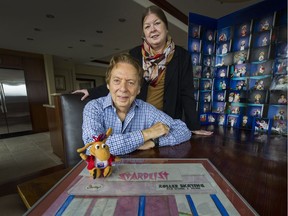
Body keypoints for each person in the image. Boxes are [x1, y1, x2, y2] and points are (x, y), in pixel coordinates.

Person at [74, 5, 212, 136]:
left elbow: (186, 92)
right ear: (144, 33)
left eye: (157, 23)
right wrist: (91, 91)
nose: (152, 29)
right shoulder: (135, 54)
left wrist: (194, 127)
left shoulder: (182, 56)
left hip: (167, 119)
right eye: (147, 26)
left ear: (166, 27)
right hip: (139, 119)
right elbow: (122, 81)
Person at [82, 53, 192, 156]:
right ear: (108, 84)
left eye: (130, 82)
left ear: (138, 89)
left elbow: (183, 130)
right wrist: (146, 134)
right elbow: (94, 147)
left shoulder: (147, 110)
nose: (123, 88)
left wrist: (155, 142)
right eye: (117, 81)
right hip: (102, 172)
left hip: (138, 172)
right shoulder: (94, 107)